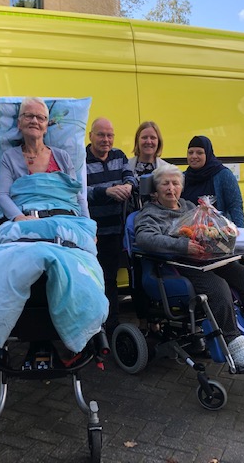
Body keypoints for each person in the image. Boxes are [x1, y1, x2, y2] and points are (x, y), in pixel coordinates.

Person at [134, 163, 244, 369]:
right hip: (178, 266)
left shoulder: (189, 206)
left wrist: (239, 237)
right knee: (218, 287)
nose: (171, 188)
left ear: (181, 187)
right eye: (165, 184)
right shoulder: (150, 213)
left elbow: (212, 229)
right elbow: (144, 238)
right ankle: (235, 346)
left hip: (208, 259)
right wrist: (183, 245)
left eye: (175, 183)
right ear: (155, 189)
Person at [0, 97, 89, 222]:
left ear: (46, 127)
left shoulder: (62, 157)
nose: (34, 121)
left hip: (65, 220)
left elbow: (76, 194)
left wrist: (86, 223)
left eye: (40, 118)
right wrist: (19, 217)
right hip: (26, 220)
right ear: (19, 124)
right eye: (29, 116)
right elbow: (2, 195)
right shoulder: (9, 157)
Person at [86, 117, 137, 334]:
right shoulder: (80, 159)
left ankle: (112, 326)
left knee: (110, 280)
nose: (106, 139)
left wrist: (128, 186)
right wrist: (106, 192)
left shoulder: (119, 156)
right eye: (101, 134)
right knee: (90, 281)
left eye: (110, 135)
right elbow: (79, 191)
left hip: (115, 231)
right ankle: (92, 329)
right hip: (90, 233)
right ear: (90, 136)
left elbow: (131, 177)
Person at [182, 135, 244, 227]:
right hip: (189, 232)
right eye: (190, 152)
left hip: (219, 231)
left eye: (199, 153)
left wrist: (241, 232)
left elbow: (235, 206)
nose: (194, 156)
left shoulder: (223, 175)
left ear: (208, 154)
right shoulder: (182, 177)